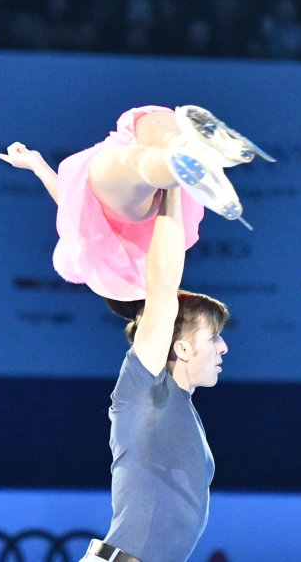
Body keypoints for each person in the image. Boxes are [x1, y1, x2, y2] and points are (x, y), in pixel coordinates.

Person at [0, 105, 270, 300]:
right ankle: (195, 148)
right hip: (123, 185)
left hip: (135, 184)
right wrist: (37, 165)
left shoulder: (84, 215)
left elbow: (67, 201)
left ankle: (186, 153)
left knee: (143, 160)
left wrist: (37, 165)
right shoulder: (96, 232)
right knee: (143, 137)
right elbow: (66, 200)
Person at [91, 191, 229, 562]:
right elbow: (163, 285)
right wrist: (172, 188)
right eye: (214, 337)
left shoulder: (180, 404)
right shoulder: (145, 392)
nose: (223, 347)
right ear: (181, 348)